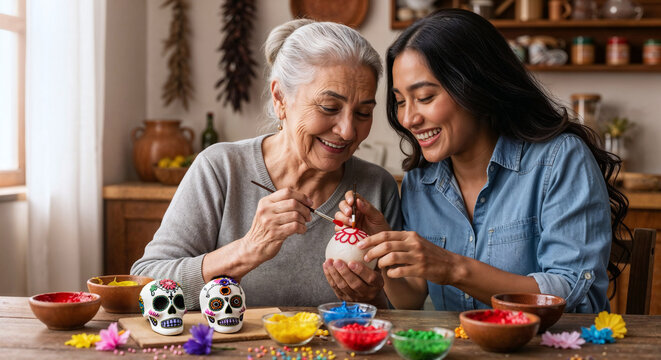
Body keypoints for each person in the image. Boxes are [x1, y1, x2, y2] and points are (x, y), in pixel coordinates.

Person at [328, 9, 628, 313]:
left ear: (475, 87)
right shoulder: (421, 182)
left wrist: (454, 268)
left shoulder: (560, 160)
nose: (408, 118)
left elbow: (571, 296)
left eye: (426, 97)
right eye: (401, 101)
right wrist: (382, 251)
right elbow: (411, 298)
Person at [131, 19, 402, 309]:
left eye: (363, 113)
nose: (348, 131)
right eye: (329, 108)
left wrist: (371, 296)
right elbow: (145, 282)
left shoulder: (377, 187)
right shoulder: (221, 168)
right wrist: (248, 249)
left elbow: (404, 313)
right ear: (280, 99)